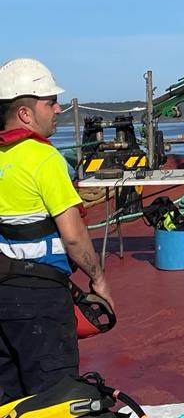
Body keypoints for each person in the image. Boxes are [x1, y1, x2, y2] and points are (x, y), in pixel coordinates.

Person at [0, 58, 113, 402]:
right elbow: (74, 237)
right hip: (40, 297)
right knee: (54, 396)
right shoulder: (45, 159)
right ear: (25, 113)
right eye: (50, 102)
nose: (58, 109)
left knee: (8, 395)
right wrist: (98, 278)